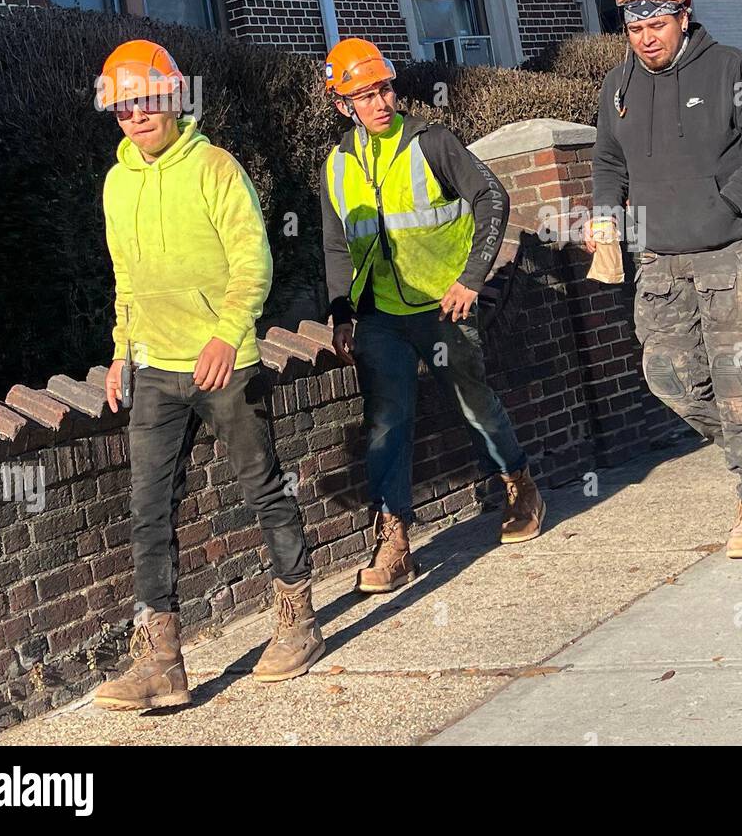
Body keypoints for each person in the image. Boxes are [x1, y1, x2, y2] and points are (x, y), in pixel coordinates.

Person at [95, 40, 322, 710]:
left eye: (145, 99)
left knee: (263, 487)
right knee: (148, 511)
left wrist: (228, 333)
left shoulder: (216, 167)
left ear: (172, 97)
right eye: (122, 105)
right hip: (154, 369)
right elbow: (126, 280)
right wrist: (118, 348)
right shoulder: (117, 181)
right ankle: (162, 659)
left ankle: (297, 617)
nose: (135, 114)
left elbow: (253, 260)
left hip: (223, 364)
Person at [320, 38, 543, 594]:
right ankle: (394, 541)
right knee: (385, 424)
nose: (379, 103)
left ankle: (519, 483)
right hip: (379, 318)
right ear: (342, 105)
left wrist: (471, 278)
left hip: (441, 308)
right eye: (364, 95)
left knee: (474, 404)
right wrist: (341, 312)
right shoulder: (337, 165)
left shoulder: (431, 142)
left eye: (384, 89)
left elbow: (492, 197)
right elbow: (334, 244)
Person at [587, 0, 742, 558]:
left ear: (683, 12)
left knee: (736, 378)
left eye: (657, 22)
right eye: (635, 26)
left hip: (729, 256)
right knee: (667, 377)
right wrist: (605, 215)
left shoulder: (729, 68)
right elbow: (607, 162)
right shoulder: (617, 84)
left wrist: (726, 202)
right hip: (659, 264)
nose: (646, 36)